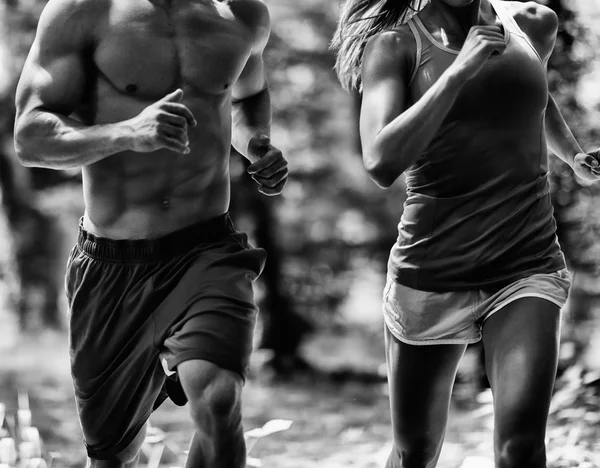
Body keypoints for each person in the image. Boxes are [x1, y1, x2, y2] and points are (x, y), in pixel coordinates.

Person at [13, 0, 288, 466]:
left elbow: (246, 95)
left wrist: (255, 142)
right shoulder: (82, 11)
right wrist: (126, 133)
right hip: (112, 265)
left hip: (206, 250)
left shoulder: (242, 15)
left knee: (219, 399)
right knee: (112, 456)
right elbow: (31, 137)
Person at [332, 0, 600, 467]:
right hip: (432, 269)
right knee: (414, 451)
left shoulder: (533, 23)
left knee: (521, 446)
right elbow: (380, 161)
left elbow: (533, 96)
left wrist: (573, 158)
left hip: (526, 260)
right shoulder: (395, 46)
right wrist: (458, 72)